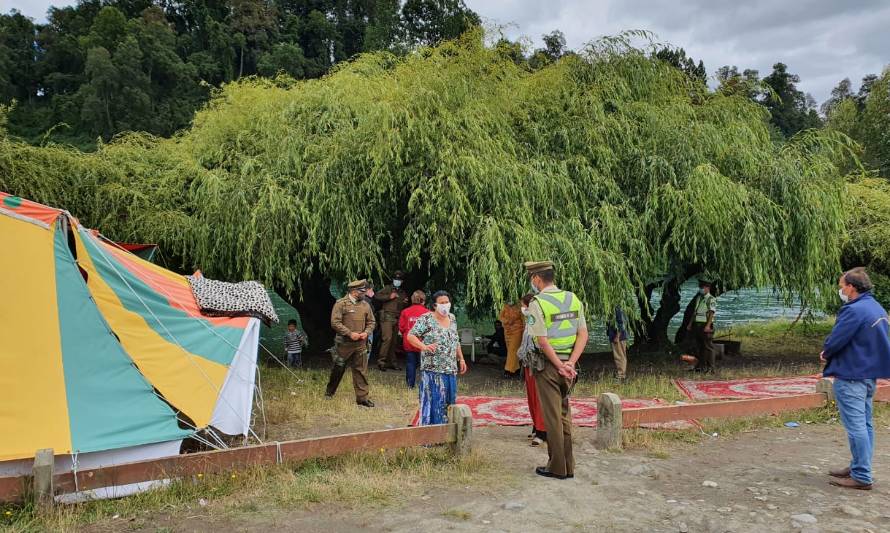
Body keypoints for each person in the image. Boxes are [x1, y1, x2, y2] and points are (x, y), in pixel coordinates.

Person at [821, 267, 890, 490]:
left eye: (842, 286)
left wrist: (826, 352)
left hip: (851, 374)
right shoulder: (875, 307)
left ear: (851, 287)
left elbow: (837, 339)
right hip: (868, 374)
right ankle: (858, 465)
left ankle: (861, 475)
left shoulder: (854, 310)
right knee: (866, 424)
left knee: (856, 426)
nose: (840, 290)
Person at [524, 261, 588, 480]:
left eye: (532, 279)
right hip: (569, 366)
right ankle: (569, 466)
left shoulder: (537, 303)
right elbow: (583, 335)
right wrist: (570, 363)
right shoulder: (573, 298)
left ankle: (557, 468)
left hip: (549, 367)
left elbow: (542, 341)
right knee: (564, 415)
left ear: (537, 279)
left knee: (552, 418)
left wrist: (559, 366)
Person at [407, 290, 468, 425]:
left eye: (447, 302)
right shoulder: (426, 319)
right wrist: (423, 346)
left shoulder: (452, 318)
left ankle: (447, 432)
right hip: (432, 369)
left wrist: (461, 358)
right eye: (442, 303)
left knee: (449, 401)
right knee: (433, 401)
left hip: (450, 368)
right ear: (435, 305)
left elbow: (455, 340)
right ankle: (430, 433)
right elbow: (411, 336)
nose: (445, 305)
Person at [326, 279, 376, 407]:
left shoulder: (365, 305)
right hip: (344, 344)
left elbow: (372, 322)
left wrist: (366, 332)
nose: (364, 293)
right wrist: (349, 333)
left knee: (361, 371)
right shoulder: (341, 304)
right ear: (354, 292)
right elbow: (335, 323)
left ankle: (362, 398)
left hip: (360, 344)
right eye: (362, 291)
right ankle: (329, 393)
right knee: (338, 369)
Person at [517, 293, 546, 447]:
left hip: (538, 362)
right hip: (528, 362)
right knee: (532, 396)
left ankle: (543, 431)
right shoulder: (529, 320)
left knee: (539, 396)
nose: (522, 308)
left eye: (524, 305)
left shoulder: (539, 319)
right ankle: (536, 426)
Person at [375, 270, 409, 371]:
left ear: (401, 281)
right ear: (393, 280)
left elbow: (403, 305)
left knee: (394, 342)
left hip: (397, 318)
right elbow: (377, 296)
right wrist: (389, 296)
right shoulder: (388, 288)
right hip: (386, 317)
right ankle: (381, 362)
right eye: (395, 279)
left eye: (399, 280)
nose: (397, 281)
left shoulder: (402, 293)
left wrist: (405, 302)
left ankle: (392, 363)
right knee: (387, 339)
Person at [399, 290, 429, 388]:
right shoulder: (427, 313)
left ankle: (410, 385)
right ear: (423, 300)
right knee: (424, 365)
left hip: (409, 342)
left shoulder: (405, 311)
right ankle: (424, 384)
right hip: (423, 343)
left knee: (410, 364)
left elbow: (402, 328)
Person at [687, 278, 717, 373]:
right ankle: (700, 367)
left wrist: (708, 326)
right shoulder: (699, 298)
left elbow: (711, 312)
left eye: (702, 287)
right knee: (699, 346)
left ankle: (711, 368)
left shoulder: (711, 299)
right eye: (700, 287)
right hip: (697, 324)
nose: (700, 289)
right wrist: (690, 324)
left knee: (708, 346)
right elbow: (695, 312)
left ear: (707, 288)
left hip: (705, 324)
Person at [500, 300, 525, 377]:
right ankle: (516, 369)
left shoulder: (520, 306)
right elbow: (501, 317)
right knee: (511, 351)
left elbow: (524, 320)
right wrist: (507, 321)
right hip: (507, 331)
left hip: (517, 331)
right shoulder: (504, 306)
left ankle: (508, 370)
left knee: (512, 350)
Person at [606, 307, 628, 380]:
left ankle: (621, 375)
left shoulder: (617, 308)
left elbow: (621, 323)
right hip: (614, 336)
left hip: (618, 337)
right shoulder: (613, 307)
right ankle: (621, 374)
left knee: (619, 356)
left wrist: (617, 336)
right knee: (619, 355)